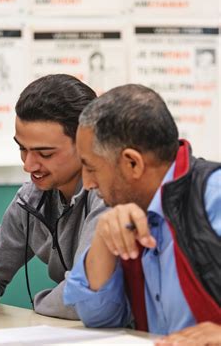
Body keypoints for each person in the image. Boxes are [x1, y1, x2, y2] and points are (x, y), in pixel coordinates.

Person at [64, 84, 221, 343]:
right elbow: (99, 320)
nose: (88, 183)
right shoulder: (126, 210)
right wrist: (103, 239)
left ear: (132, 163)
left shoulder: (213, 196)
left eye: (91, 168)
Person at [0, 74, 107, 319]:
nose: (28, 165)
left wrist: (38, 304)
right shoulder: (31, 197)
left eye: (44, 153)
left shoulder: (108, 194)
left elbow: (85, 295)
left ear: (86, 143)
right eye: (22, 148)